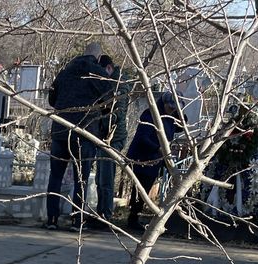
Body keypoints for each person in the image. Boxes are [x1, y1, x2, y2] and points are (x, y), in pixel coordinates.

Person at [45, 42, 114, 229]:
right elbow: (110, 100)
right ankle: (77, 220)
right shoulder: (97, 73)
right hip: (84, 131)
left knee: (56, 177)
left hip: (60, 129)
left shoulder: (65, 72)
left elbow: (51, 98)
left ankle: (51, 219)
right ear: (99, 58)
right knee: (81, 179)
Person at [126, 91, 182, 231]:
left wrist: (179, 113)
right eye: (170, 106)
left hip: (155, 158)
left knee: (147, 186)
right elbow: (143, 137)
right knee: (140, 188)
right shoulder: (150, 114)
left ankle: (135, 216)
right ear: (163, 104)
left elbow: (181, 126)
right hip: (143, 157)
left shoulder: (169, 116)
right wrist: (158, 149)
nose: (172, 109)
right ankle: (133, 218)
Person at [95, 57, 130, 224]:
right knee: (100, 178)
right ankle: (100, 212)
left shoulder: (119, 86)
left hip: (112, 137)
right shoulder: (113, 84)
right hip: (104, 135)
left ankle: (106, 215)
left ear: (108, 68)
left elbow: (116, 114)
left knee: (106, 178)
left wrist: (104, 110)